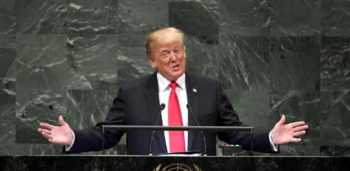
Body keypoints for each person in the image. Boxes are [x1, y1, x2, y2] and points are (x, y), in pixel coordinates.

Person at [38, 27, 308, 155]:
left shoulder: (208, 88)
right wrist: (73, 138)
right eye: (165, 53)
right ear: (152, 61)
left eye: (178, 50)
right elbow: (106, 135)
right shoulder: (132, 93)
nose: (174, 58)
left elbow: (233, 131)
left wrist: (270, 137)